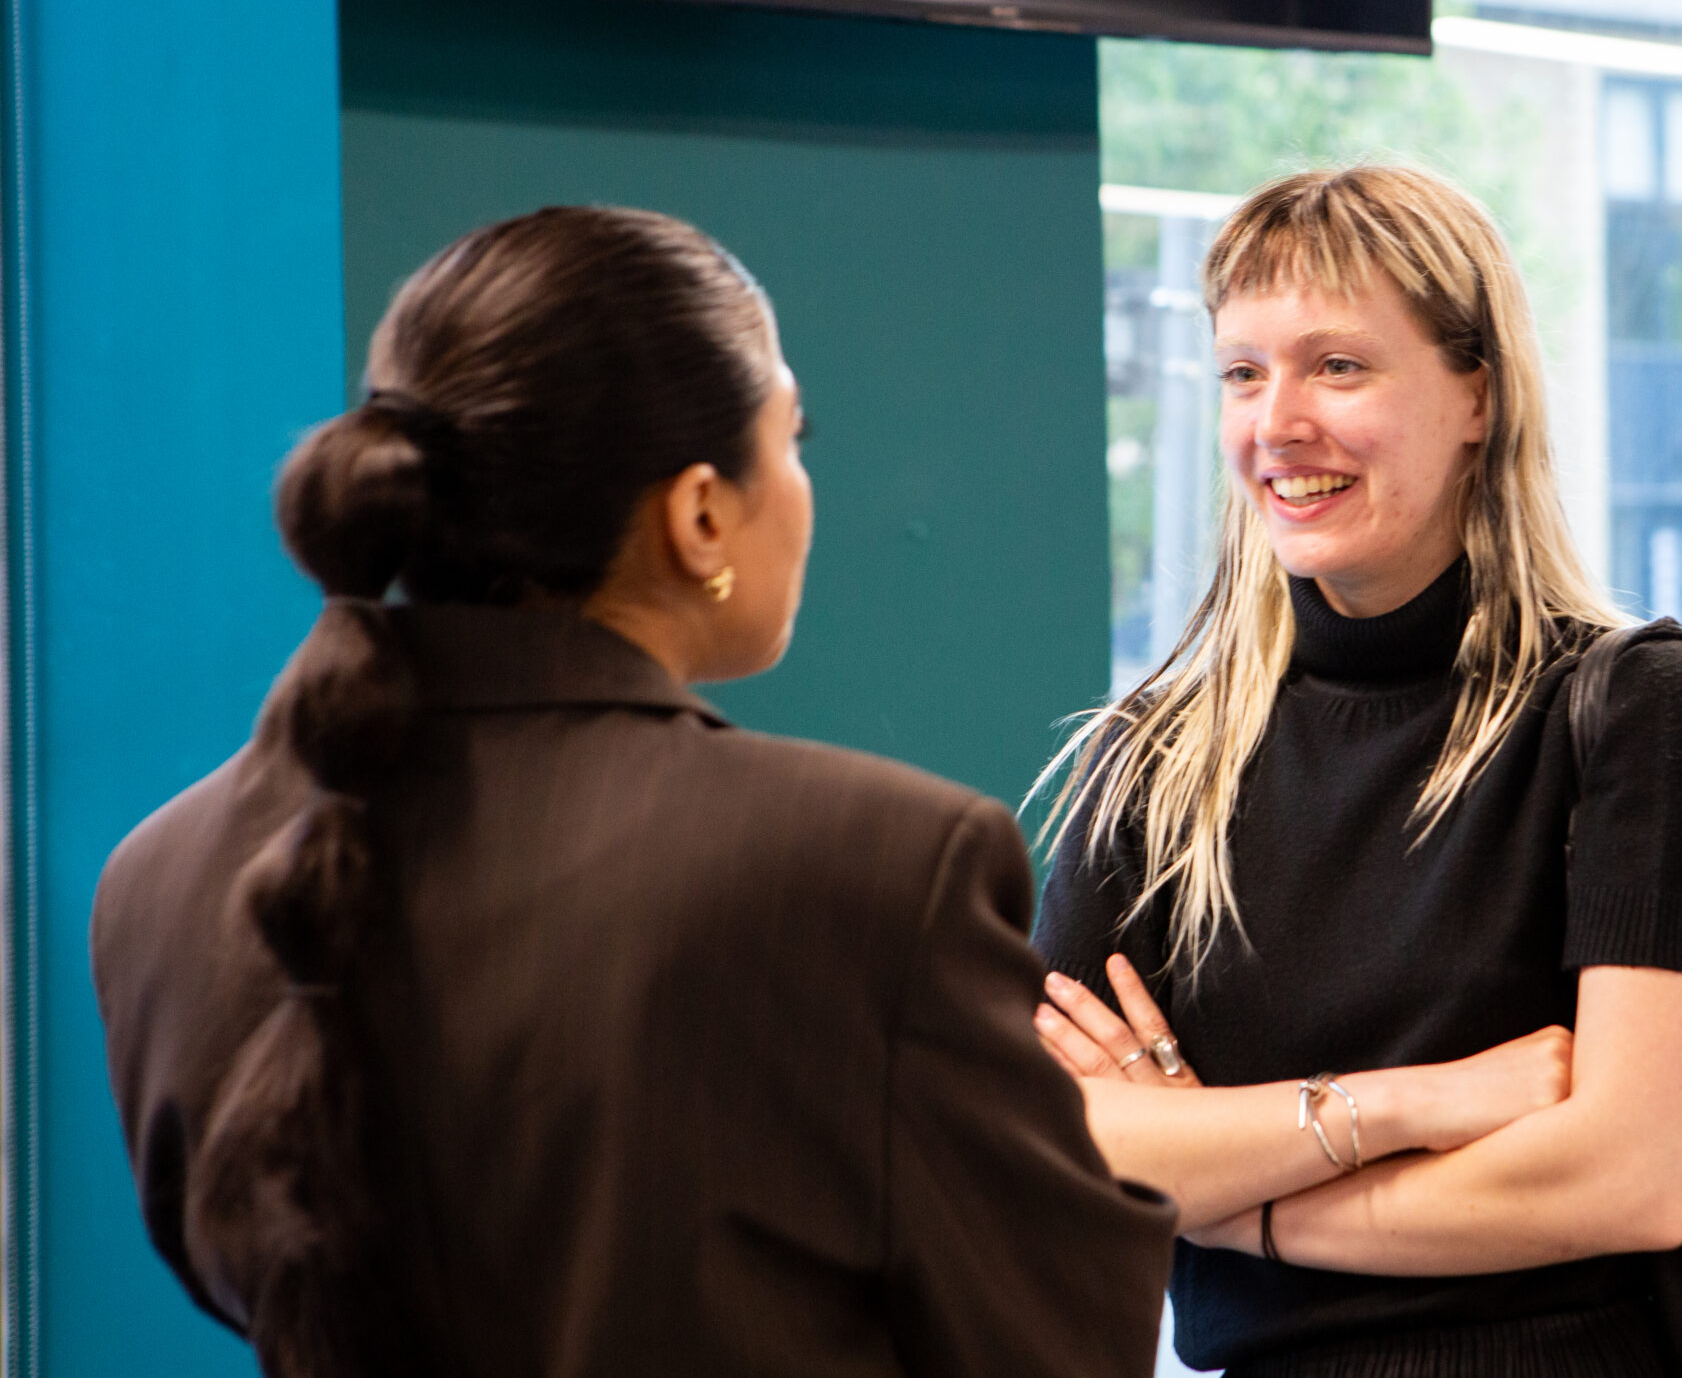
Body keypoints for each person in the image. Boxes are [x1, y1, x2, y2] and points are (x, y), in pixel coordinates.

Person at [91, 206, 1174, 1378]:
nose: (805, 489)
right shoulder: (874, 869)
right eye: (793, 436)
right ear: (701, 512)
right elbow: (1056, 1342)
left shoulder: (154, 877)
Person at [1031, 165, 1682, 1377]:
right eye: (1242, 373)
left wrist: (1227, 1201)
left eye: (1337, 365)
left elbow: (1629, 1183)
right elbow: (1052, 1156)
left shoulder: (1637, 710)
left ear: (1476, 391)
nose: (1276, 424)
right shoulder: (1155, 758)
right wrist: (1415, 1106)